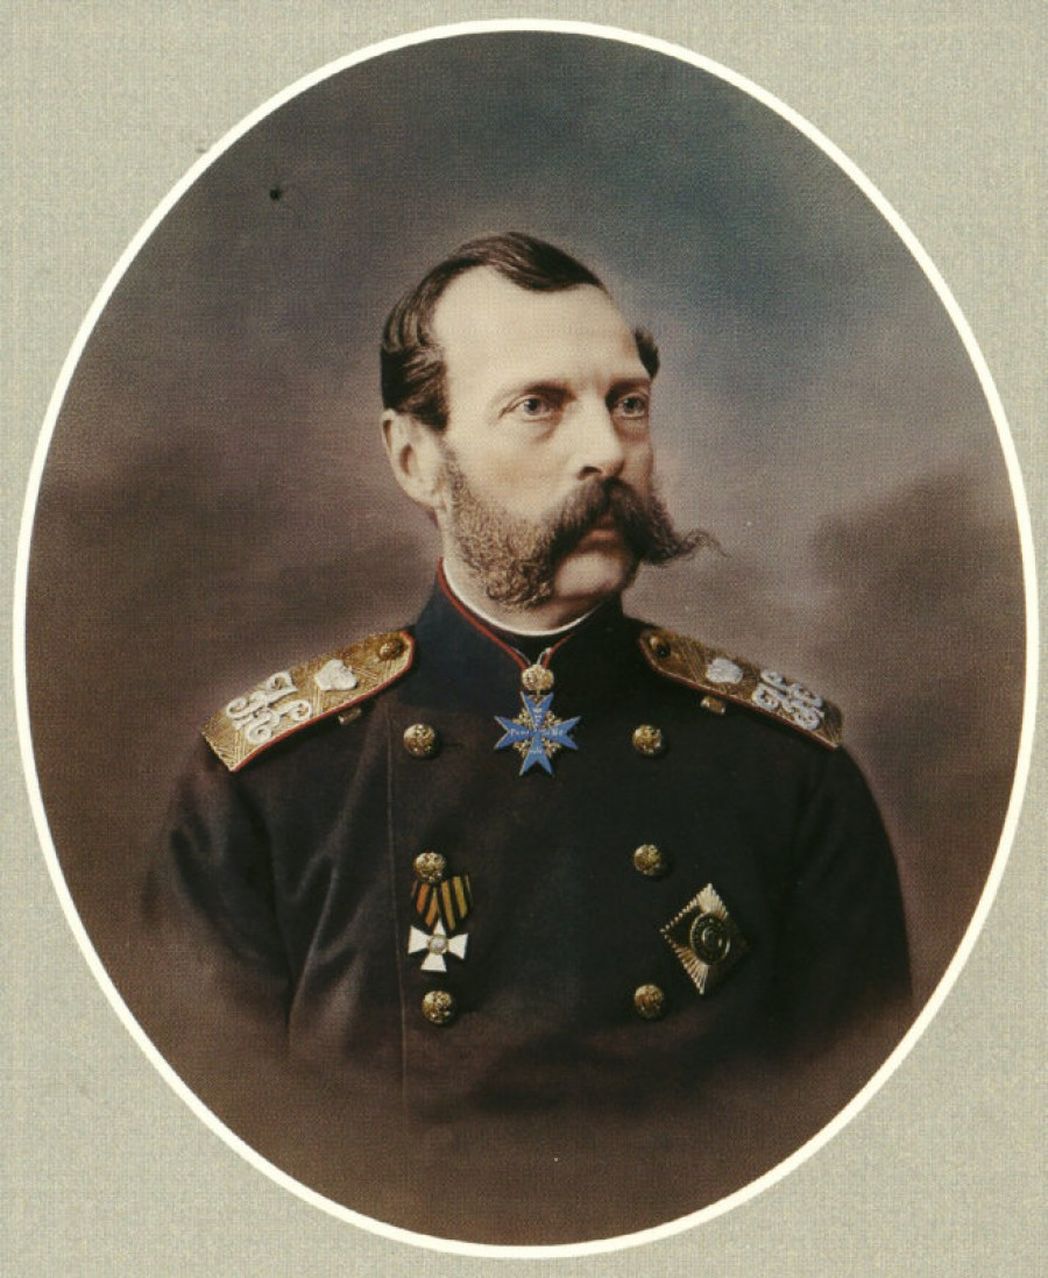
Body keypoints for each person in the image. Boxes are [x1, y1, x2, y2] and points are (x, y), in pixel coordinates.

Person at [142, 232, 910, 1240]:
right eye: (538, 405)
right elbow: (208, 1186)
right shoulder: (263, 787)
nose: (607, 451)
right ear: (416, 458)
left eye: (627, 403)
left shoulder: (788, 774)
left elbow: (850, 1179)